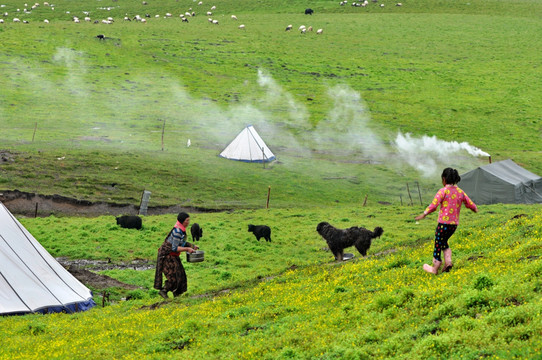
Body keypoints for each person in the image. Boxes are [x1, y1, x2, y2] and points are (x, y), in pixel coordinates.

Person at [415, 168, 478, 275]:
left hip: (443, 224)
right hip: (453, 225)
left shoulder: (443, 191)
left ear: (444, 179)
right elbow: (470, 203)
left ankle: (435, 267)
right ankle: (448, 262)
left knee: (438, 242)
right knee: (443, 241)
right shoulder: (460, 192)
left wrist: (424, 214)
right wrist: (474, 209)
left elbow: (434, 205)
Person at [154, 212, 198, 298]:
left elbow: (181, 242)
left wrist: (192, 246)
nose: (188, 222)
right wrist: (187, 249)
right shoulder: (178, 231)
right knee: (173, 277)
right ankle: (164, 291)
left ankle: (177, 295)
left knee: (180, 275)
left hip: (173, 255)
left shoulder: (181, 230)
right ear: (182, 221)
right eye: (187, 220)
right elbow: (174, 248)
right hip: (167, 255)